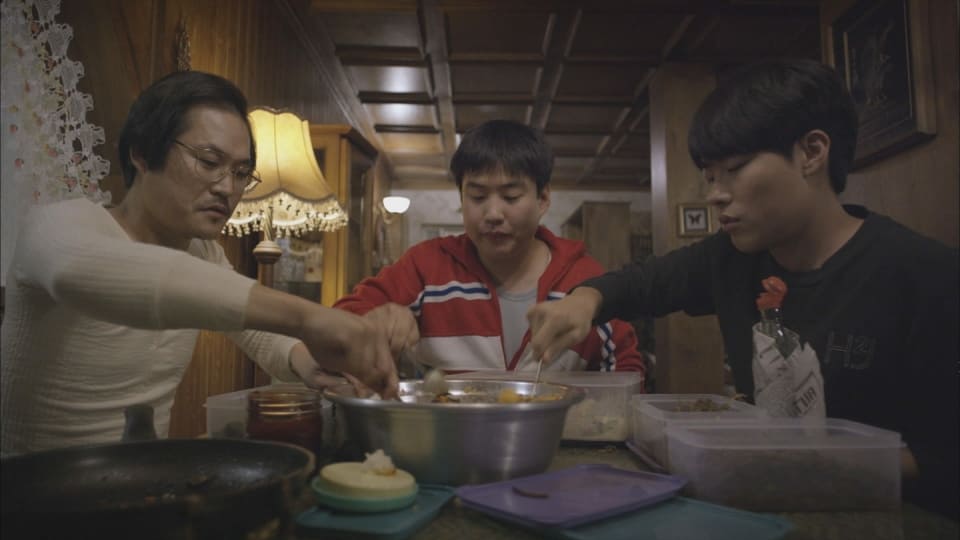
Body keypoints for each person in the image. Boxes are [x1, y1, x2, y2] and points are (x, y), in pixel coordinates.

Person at [526, 59, 958, 519]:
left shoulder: (927, 275)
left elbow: (944, 458)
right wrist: (584, 300)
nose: (715, 194)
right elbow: (640, 284)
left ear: (811, 152)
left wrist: (814, 463)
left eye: (734, 168)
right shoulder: (729, 259)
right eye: (711, 176)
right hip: (769, 508)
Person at [0, 70, 401, 456]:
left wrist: (310, 362)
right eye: (209, 162)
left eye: (241, 172)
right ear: (141, 152)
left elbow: (258, 334)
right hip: (30, 490)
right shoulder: (57, 225)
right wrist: (310, 318)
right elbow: (94, 273)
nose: (228, 188)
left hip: (139, 483)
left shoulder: (202, 252)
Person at [335, 119, 644, 376]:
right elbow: (343, 320)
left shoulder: (583, 277)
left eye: (511, 197)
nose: (493, 213)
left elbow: (624, 368)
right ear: (461, 198)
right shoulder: (426, 266)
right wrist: (379, 320)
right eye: (478, 197)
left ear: (543, 200)